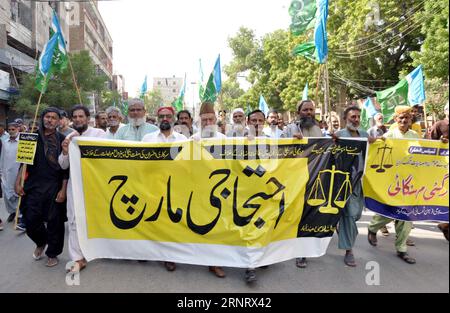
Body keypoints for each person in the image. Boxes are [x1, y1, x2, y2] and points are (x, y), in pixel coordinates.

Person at [15, 108, 69, 268]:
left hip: (54, 185)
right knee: (30, 221)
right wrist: (17, 182)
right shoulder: (30, 138)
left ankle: (52, 253)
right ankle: (40, 241)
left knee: (55, 222)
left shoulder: (63, 139)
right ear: (42, 119)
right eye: (47, 117)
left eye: (53, 118)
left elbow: (66, 168)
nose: (50, 120)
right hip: (33, 186)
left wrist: (63, 189)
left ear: (59, 121)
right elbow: (23, 163)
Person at [368, 106, 420, 264]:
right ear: (396, 120)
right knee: (391, 210)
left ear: (410, 120)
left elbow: (422, 153)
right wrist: (375, 141)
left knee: (406, 215)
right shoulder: (389, 135)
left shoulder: (415, 135)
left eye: (407, 118)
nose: (404, 121)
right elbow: (378, 150)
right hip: (393, 180)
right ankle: (373, 227)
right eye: (401, 118)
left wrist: (442, 144)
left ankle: (402, 249)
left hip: (409, 180)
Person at [59, 105, 106, 273]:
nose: (78, 119)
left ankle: (98, 250)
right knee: (73, 221)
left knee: (96, 219)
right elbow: (63, 165)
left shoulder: (100, 135)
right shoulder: (69, 137)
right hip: (75, 186)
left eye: (81, 116)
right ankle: (77, 258)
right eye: (75, 117)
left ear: (88, 118)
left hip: (96, 185)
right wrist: (65, 151)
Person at [142, 107, 187, 272]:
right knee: (151, 220)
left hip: (175, 187)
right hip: (152, 185)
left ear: (173, 118)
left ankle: (170, 257)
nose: (165, 119)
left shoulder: (182, 139)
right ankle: (149, 252)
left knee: (170, 223)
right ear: (157, 118)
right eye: (162, 116)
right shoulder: (147, 139)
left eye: (168, 116)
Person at [334, 106, 378, 267]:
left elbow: (375, 148)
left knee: (356, 214)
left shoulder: (365, 135)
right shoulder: (339, 135)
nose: (356, 119)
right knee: (350, 215)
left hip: (358, 182)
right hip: (342, 182)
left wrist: (380, 142)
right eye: (353, 117)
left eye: (358, 117)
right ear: (345, 119)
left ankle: (343, 229)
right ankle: (348, 250)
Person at [284, 100, 324, 268]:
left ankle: (302, 252)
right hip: (294, 178)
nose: (308, 112)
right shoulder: (289, 129)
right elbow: (280, 151)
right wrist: (294, 142)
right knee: (295, 213)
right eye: (305, 110)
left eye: (311, 110)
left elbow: (323, 151)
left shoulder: (318, 130)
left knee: (309, 214)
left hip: (314, 178)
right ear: (298, 112)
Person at [191, 102, 226, 278]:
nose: (207, 123)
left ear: (215, 119)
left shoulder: (224, 139)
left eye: (210, 119)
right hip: (198, 189)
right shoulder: (192, 140)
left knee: (218, 227)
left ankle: (215, 262)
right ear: (200, 121)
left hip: (220, 189)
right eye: (204, 120)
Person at [430, 102, 449, 241]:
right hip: (442, 167)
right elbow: (429, 143)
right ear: (445, 110)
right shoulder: (439, 125)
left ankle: (445, 225)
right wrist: (440, 143)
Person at [0, 122, 24, 229]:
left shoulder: (23, 142)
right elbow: (2, 157)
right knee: (7, 193)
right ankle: (12, 212)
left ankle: (19, 214)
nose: (11, 131)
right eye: (9, 129)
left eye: (13, 129)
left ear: (18, 129)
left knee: (17, 193)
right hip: (6, 171)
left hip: (17, 172)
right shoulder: (5, 142)